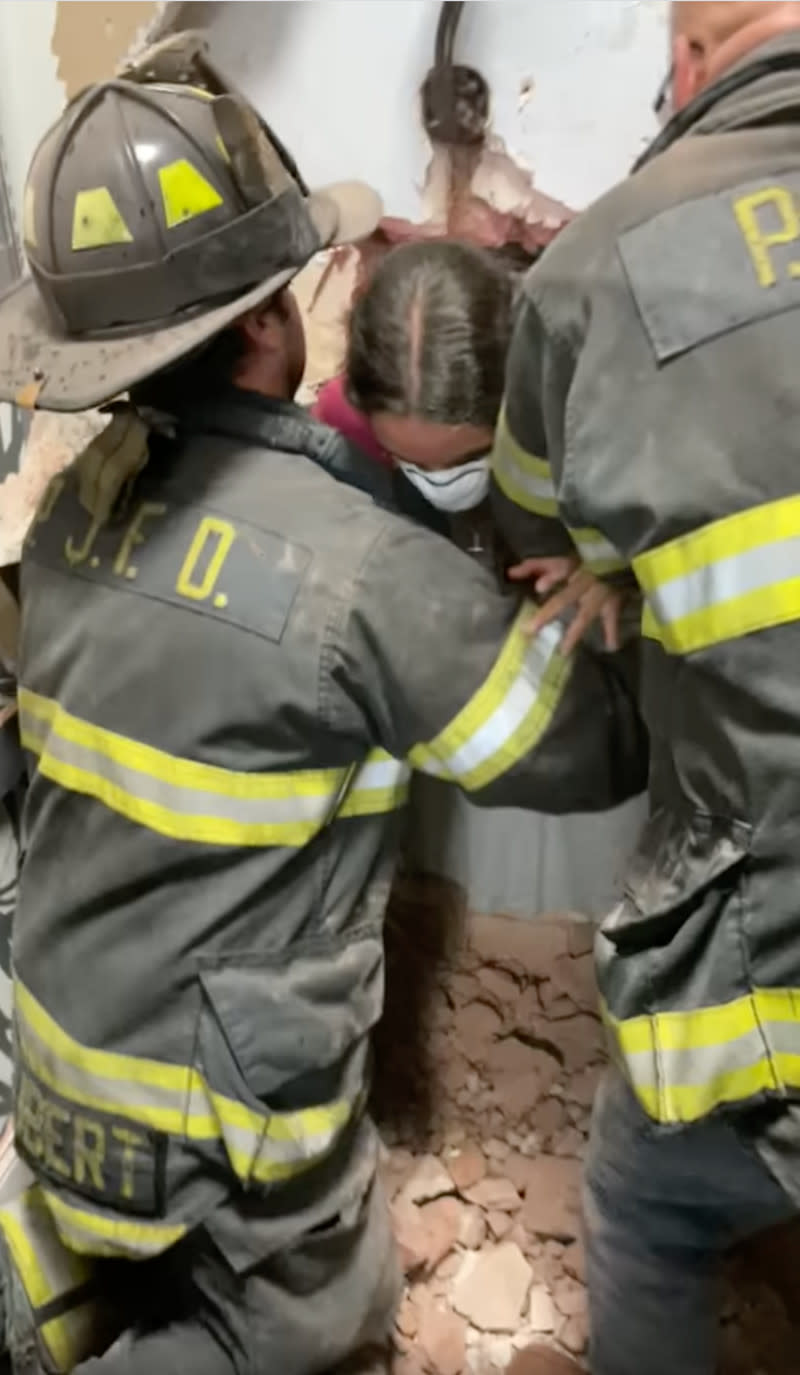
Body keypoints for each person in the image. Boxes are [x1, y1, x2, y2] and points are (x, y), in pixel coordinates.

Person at [0, 57, 647, 1375]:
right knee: (327, 1315)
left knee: (76, 1247)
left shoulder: (76, 507)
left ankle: (39, 1286)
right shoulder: (361, 574)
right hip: (217, 1122)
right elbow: (589, 749)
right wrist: (610, 592)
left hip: (52, 1060)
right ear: (270, 328)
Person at [490, 4, 800, 1374]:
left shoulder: (599, 264)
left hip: (774, 958)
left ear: (684, 64)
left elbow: (538, 536)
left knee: (646, 1206)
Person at [320, 239, 628, 650]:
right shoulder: (343, 424)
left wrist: (613, 566)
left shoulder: (586, 401)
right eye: (410, 461)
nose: (443, 485)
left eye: (468, 459)